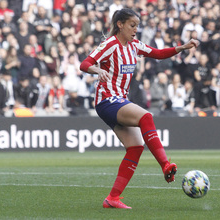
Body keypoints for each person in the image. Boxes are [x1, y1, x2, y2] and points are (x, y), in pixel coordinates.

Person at [80, 8, 200, 209]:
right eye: (132, 25)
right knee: (146, 116)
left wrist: (183, 47)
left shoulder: (134, 45)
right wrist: (97, 69)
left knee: (135, 147)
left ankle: (112, 198)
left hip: (118, 100)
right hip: (107, 100)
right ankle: (165, 165)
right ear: (120, 24)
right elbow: (85, 64)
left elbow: (159, 54)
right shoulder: (110, 44)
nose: (136, 30)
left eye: (137, 26)